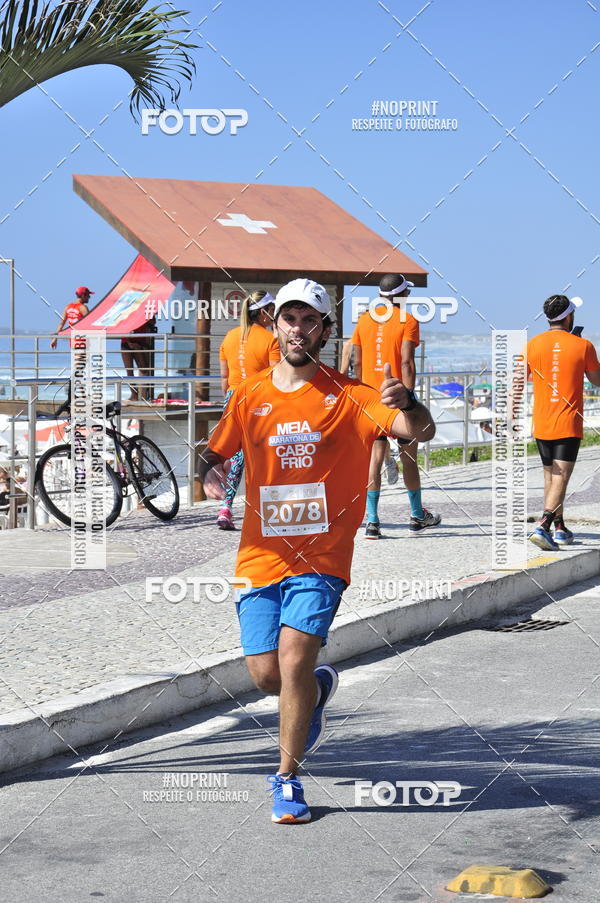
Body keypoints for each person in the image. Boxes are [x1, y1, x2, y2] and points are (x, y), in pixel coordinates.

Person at [200, 278, 435, 823]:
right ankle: (316, 690)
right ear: (274, 325)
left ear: (325, 330)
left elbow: (417, 431)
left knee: (295, 657)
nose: (298, 329)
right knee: (265, 674)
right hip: (258, 555)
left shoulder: (352, 395)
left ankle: (286, 780)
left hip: (323, 557)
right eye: (289, 319)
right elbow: (215, 453)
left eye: (310, 320)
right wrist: (208, 476)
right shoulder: (250, 392)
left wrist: (412, 401)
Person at [344, 273, 441, 538]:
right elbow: (407, 362)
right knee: (409, 458)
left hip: (371, 400)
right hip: (398, 400)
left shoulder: (364, 319)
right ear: (402, 295)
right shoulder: (408, 320)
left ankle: (373, 521)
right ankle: (416, 515)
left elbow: (358, 361)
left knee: (374, 460)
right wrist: (409, 397)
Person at [528, 294, 600, 551]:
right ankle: (543, 525)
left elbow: (519, 379)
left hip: (542, 421)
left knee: (550, 474)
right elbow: (597, 380)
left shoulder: (533, 344)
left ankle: (560, 528)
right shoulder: (584, 346)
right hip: (568, 422)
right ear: (569, 316)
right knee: (562, 476)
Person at [215, 290, 280, 530]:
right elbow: (276, 377)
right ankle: (262, 508)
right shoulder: (270, 339)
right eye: (272, 310)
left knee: (236, 455)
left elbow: (224, 378)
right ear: (263, 313)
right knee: (263, 455)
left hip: (233, 399)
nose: (274, 314)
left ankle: (226, 506)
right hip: (259, 400)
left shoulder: (230, 337)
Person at [50, 286, 93, 416]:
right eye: (88, 296)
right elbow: (90, 323)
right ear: (84, 295)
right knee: (80, 367)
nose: (90, 298)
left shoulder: (68, 307)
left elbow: (61, 324)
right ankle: (81, 394)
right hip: (83, 341)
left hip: (73, 340)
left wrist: (55, 338)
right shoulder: (83, 308)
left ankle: (81, 393)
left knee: (77, 367)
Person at [121, 316, 157, 402]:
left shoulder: (143, 310)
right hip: (126, 341)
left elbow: (152, 322)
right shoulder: (126, 310)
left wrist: (142, 320)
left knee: (143, 368)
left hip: (139, 341)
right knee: (129, 371)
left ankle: (144, 394)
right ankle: (134, 394)